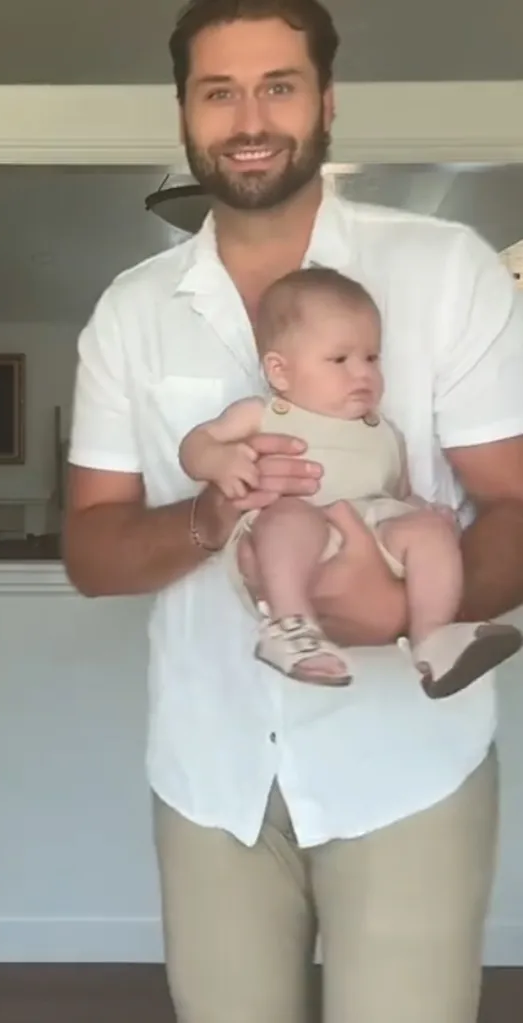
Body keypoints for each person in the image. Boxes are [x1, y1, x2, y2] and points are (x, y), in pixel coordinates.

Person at [62, 0, 523, 1020]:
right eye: (217, 92)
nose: (248, 117)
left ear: (325, 99)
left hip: (405, 764)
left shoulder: (442, 272)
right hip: (208, 769)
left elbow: (513, 505)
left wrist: (400, 609)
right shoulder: (131, 314)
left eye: (276, 84)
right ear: (182, 113)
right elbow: (90, 550)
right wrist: (204, 516)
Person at [178, 266, 522, 691]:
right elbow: (196, 445)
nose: (362, 373)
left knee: (430, 532)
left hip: (369, 528)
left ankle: (433, 636)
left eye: (372, 358)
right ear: (280, 372)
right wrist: (218, 460)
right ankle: (292, 628)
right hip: (290, 531)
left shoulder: (384, 431)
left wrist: (424, 513)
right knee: (289, 517)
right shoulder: (263, 413)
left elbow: (397, 494)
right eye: (340, 359)